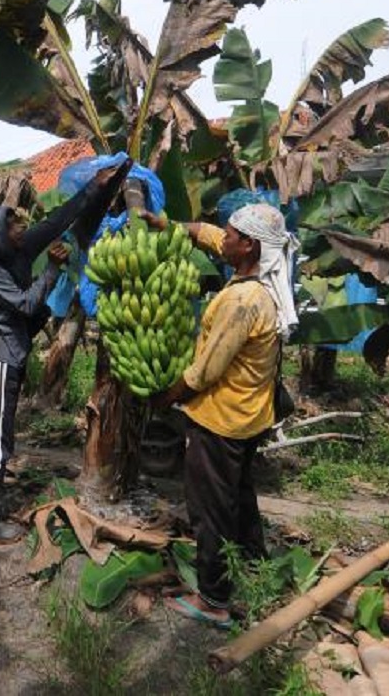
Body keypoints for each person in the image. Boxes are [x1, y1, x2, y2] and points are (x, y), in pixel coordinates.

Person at [142, 203, 299, 627]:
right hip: (250, 416)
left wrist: (165, 399)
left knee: (209, 508)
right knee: (239, 498)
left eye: (230, 234)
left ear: (248, 245)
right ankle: (253, 565)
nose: (221, 239)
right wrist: (168, 223)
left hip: (221, 419)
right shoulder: (259, 272)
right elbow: (210, 235)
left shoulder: (243, 301)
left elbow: (204, 371)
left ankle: (214, 600)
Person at [0, 163, 129, 547]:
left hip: (10, 355)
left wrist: (95, 187)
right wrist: (52, 271)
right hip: (0, 360)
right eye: (14, 225)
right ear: (0, 238)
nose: (23, 228)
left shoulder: (19, 250)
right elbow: (25, 304)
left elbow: (57, 221)